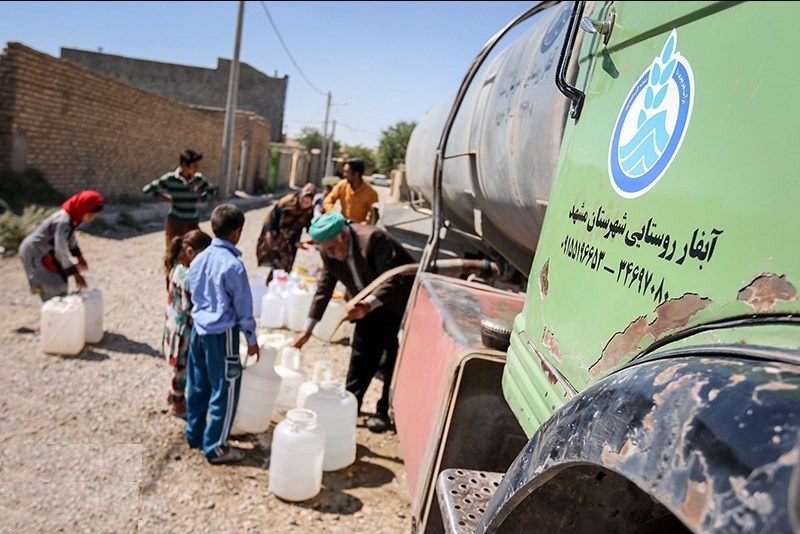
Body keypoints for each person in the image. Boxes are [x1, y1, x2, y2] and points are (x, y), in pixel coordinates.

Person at [291, 211, 415, 433]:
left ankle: (383, 411)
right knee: (361, 354)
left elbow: (393, 279)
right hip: (365, 307)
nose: (328, 254)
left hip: (397, 305)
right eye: (325, 250)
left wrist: (367, 305)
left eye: (331, 248)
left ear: (344, 237)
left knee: (393, 359)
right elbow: (324, 288)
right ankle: (351, 405)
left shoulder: (373, 240)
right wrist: (307, 330)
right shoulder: (328, 251)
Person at [185, 203, 258, 464]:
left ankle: (194, 434)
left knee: (198, 384)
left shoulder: (198, 259)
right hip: (222, 334)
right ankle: (216, 447)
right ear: (237, 232)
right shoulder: (233, 266)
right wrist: (251, 339)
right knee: (224, 390)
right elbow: (243, 308)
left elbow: (194, 295)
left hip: (199, 331)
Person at [161, 229, 213, 419]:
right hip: (183, 330)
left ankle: (173, 395)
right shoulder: (190, 276)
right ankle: (177, 403)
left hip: (174, 325)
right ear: (190, 252)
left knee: (179, 367)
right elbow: (191, 307)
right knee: (182, 369)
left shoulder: (178, 267)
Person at [19, 189, 104, 302]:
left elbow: (70, 238)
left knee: (60, 282)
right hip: (34, 251)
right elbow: (61, 249)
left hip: (47, 251)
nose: (92, 218)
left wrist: (79, 256)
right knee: (53, 286)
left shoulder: (73, 218)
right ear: (83, 208)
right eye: (91, 214)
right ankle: (53, 316)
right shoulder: (63, 221)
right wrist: (75, 273)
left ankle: (56, 314)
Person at [142, 149, 216, 250]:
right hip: (175, 221)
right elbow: (147, 189)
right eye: (194, 166)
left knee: (193, 251)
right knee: (173, 251)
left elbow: (211, 190)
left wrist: (202, 197)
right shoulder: (171, 179)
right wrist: (164, 197)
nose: (196, 169)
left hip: (192, 222)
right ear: (185, 165)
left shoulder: (198, 179)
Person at [255, 185, 315, 280]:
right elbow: (282, 227)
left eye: (308, 202)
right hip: (276, 233)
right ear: (299, 197)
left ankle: (281, 284)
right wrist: (295, 242)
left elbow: (308, 224)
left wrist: (316, 236)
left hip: (293, 234)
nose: (305, 203)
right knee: (280, 262)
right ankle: (271, 284)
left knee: (289, 261)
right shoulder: (289, 206)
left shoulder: (309, 210)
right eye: (303, 200)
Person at [323, 158, 379, 224]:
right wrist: (334, 214)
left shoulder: (371, 193)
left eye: (347, 172)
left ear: (356, 174)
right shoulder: (342, 185)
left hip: (359, 229)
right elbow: (328, 201)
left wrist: (364, 225)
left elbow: (374, 216)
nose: (344, 175)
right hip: (341, 225)